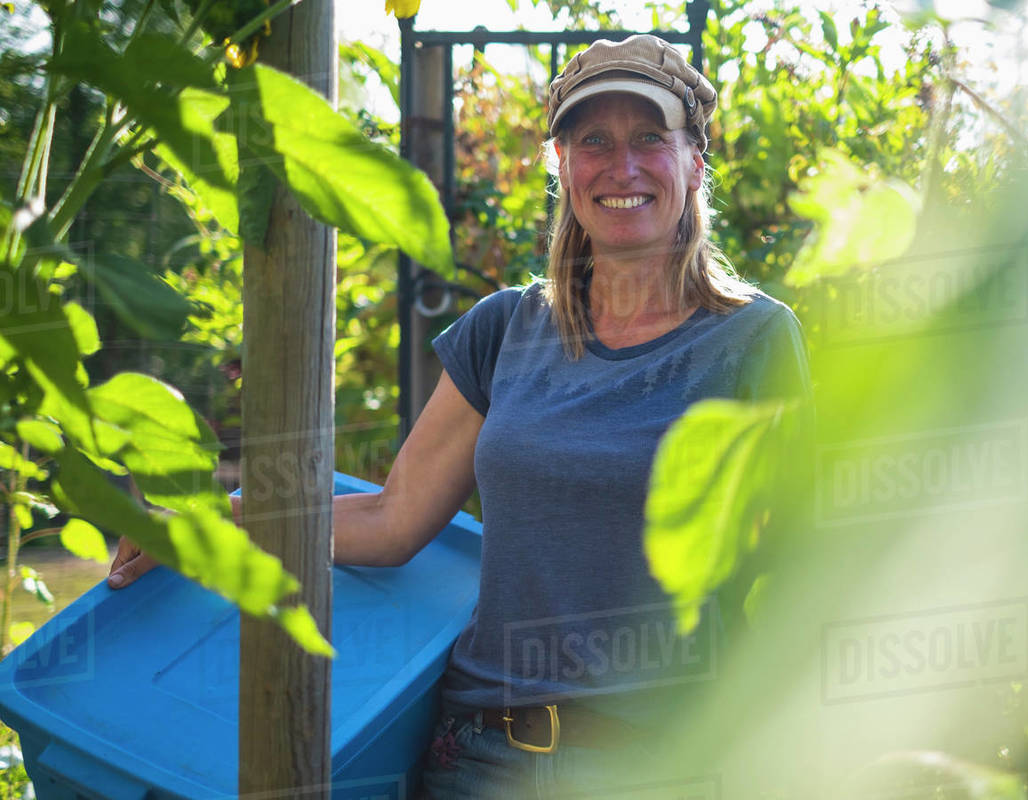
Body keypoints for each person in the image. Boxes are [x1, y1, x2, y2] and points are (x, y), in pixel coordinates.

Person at [108, 33, 810, 798]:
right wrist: (216, 525)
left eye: (650, 138)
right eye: (593, 141)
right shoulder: (504, 328)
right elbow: (394, 518)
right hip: (485, 755)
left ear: (693, 165)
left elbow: (799, 566)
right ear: (564, 168)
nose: (623, 166)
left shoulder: (754, 339)